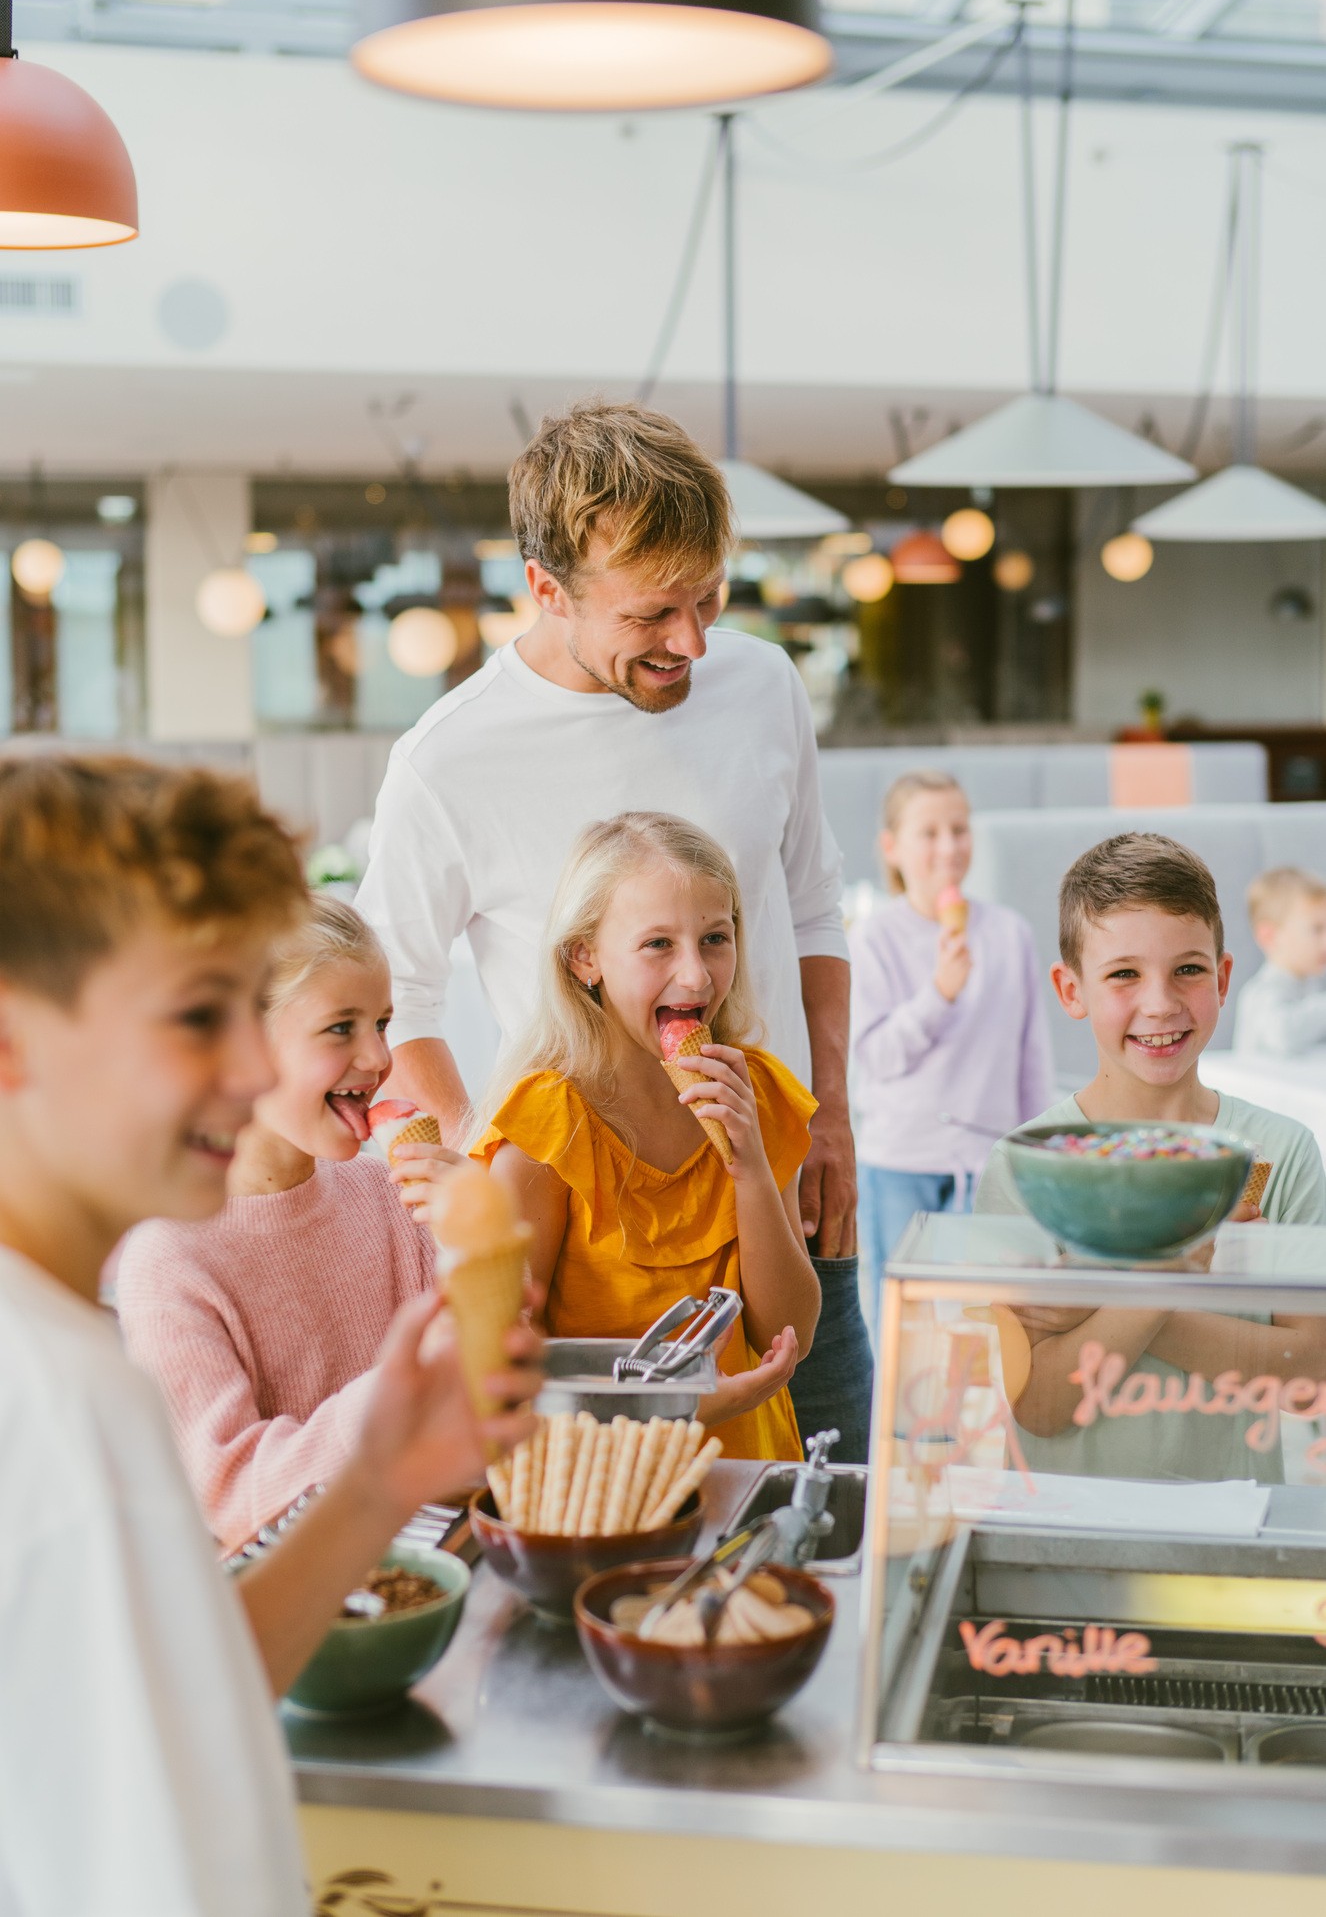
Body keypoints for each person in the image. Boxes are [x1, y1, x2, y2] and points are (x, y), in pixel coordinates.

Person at [0, 755, 538, 1915]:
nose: (250, 1071)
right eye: (199, 1015)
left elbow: (196, 1683)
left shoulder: (67, 1359)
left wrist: (379, 1475)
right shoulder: (55, 1399)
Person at [356, 398, 871, 1457]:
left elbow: (814, 905)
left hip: (778, 1184)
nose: (689, 641)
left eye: (707, 600)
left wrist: (831, 1117)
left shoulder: (764, 685)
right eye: (649, 616)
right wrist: (478, 1149)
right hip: (594, 1238)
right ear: (545, 587)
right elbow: (392, 995)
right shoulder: (448, 758)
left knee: (827, 1493)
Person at [468, 812, 820, 1461]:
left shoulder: (759, 1095)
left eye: (716, 938)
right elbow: (504, 1361)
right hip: (605, 1480)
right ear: (585, 958)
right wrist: (679, 1406)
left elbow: (790, 1329)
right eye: (659, 944)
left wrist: (749, 1167)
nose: (695, 975)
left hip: (749, 1465)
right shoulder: (547, 1125)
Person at [976, 831, 1326, 1481]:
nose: (1160, 1002)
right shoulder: (1024, 1167)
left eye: (1188, 969)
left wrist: (1106, 1293)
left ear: (1223, 978)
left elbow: (1306, 1380)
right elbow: (1043, 1404)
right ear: (1071, 989)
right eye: (1124, 974)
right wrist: (1176, 1271)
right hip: (1072, 1541)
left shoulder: (1282, 1155)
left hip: (1234, 1534)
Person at [118, 894, 461, 1555]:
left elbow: (484, 1398)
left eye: (384, 1023)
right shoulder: (168, 1259)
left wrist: (476, 1249)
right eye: (342, 1028)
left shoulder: (391, 1193)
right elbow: (233, 1495)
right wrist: (397, 1392)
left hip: (439, 1568)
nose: (379, 1057)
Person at [850, 770, 1053, 1341]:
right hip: (901, 1165)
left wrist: (1035, 1152)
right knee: (906, 1327)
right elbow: (875, 1057)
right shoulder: (873, 939)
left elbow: (1030, 1058)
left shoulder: (1009, 933)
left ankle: (979, 1432)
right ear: (892, 847)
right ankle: (909, 1436)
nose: (949, 846)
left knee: (988, 1324)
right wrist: (939, 993)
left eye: (959, 829)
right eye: (930, 832)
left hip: (991, 1163)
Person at [1234, 866, 1326, 1058]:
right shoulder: (1262, 991)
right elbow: (1283, 1036)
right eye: (1317, 929)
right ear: (1270, 937)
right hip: (1259, 1086)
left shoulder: (1313, 983)